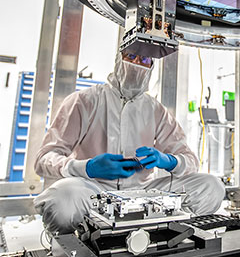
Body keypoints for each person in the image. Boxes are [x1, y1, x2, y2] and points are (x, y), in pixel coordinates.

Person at [34, 52, 225, 234]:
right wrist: (86, 168)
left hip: (143, 193)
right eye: (131, 57)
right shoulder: (84, 101)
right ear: (119, 59)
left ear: (152, 66)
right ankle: (79, 244)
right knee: (61, 201)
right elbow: (44, 159)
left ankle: (167, 233)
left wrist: (168, 161)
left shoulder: (156, 110)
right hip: (93, 191)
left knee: (211, 187)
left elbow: (190, 160)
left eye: (144, 59)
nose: (137, 64)